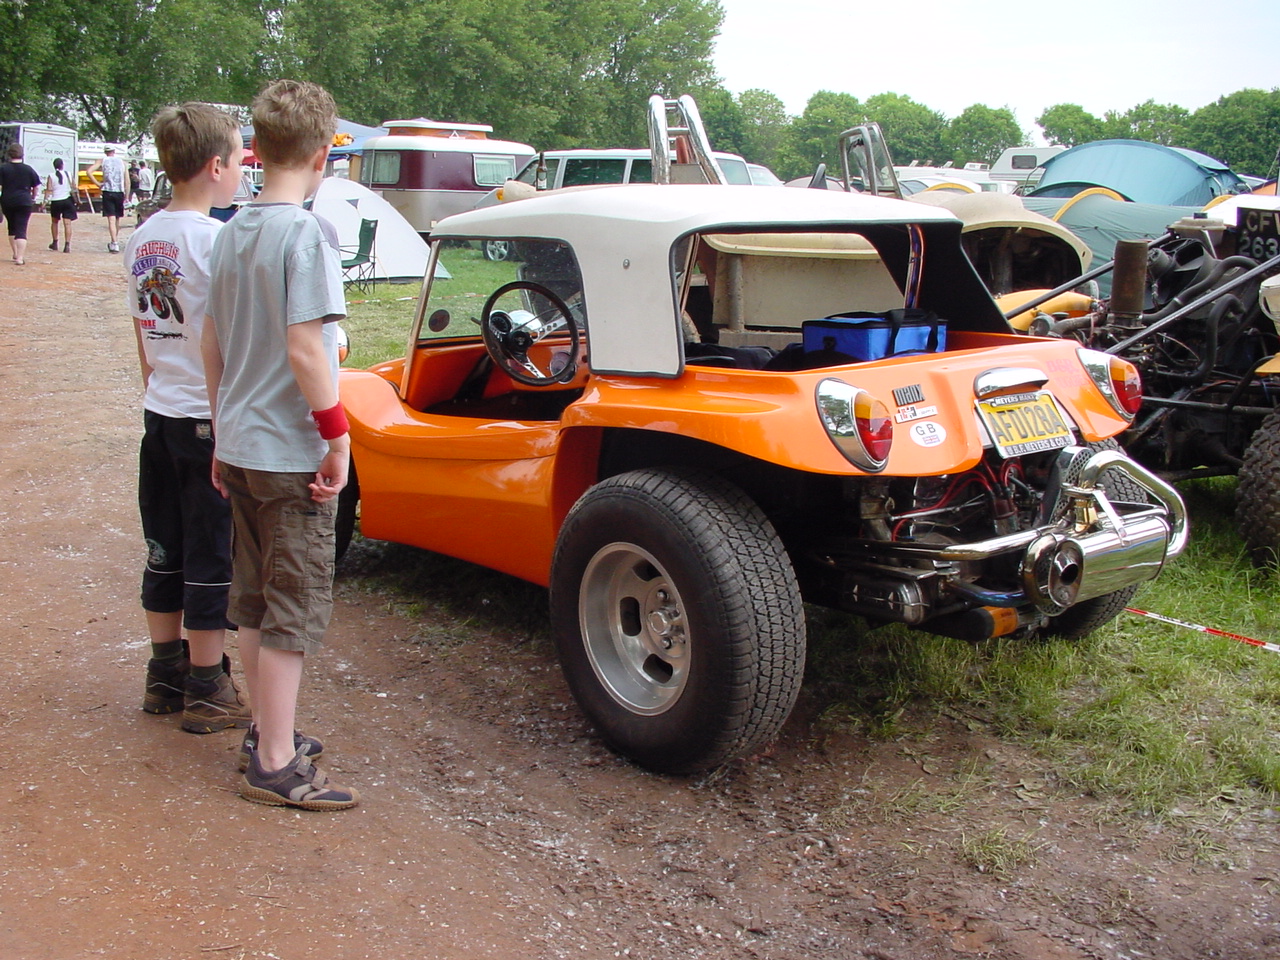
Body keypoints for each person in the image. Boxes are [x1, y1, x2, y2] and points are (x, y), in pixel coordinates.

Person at [202, 78, 358, 810]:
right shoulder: (306, 235)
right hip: (291, 454)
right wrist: (339, 438)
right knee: (291, 612)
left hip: (239, 444)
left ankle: (267, 728)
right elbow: (307, 351)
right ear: (325, 154)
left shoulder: (229, 228)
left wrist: (220, 427)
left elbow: (211, 343)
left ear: (256, 149)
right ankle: (273, 760)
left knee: (258, 602)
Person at [125, 103, 253, 737]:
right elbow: (222, 334)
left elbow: (141, 336)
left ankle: (163, 671)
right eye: (238, 159)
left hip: (160, 414)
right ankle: (206, 684)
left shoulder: (140, 237)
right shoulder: (216, 240)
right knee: (210, 552)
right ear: (215, 166)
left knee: (164, 544)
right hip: (207, 418)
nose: (241, 171)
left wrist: (159, 384)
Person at [0, 142, 41, 265]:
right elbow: (36, 186)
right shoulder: (28, 169)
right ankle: (20, 258)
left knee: (12, 227)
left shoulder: (3, 168)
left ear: (9, 154)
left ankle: (15, 253)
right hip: (24, 201)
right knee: (21, 229)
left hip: (8, 201)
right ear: (22, 155)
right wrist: (33, 196)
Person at [88, 145, 127, 252]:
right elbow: (126, 180)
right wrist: (127, 195)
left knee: (111, 219)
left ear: (105, 152)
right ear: (114, 151)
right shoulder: (122, 162)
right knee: (117, 218)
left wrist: (98, 183)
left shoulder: (102, 160)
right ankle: (115, 240)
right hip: (119, 192)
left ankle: (114, 242)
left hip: (108, 191)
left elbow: (89, 172)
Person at [44, 157, 77, 253]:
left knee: (55, 222)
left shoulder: (51, 176)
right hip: (67, 201)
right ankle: (67, 245)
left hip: (56, 201)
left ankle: (55, 242)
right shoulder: (69, 174)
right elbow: (74, 187)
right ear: (62, 165)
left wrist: (45, 202)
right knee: (67, 224)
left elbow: (49, 190)